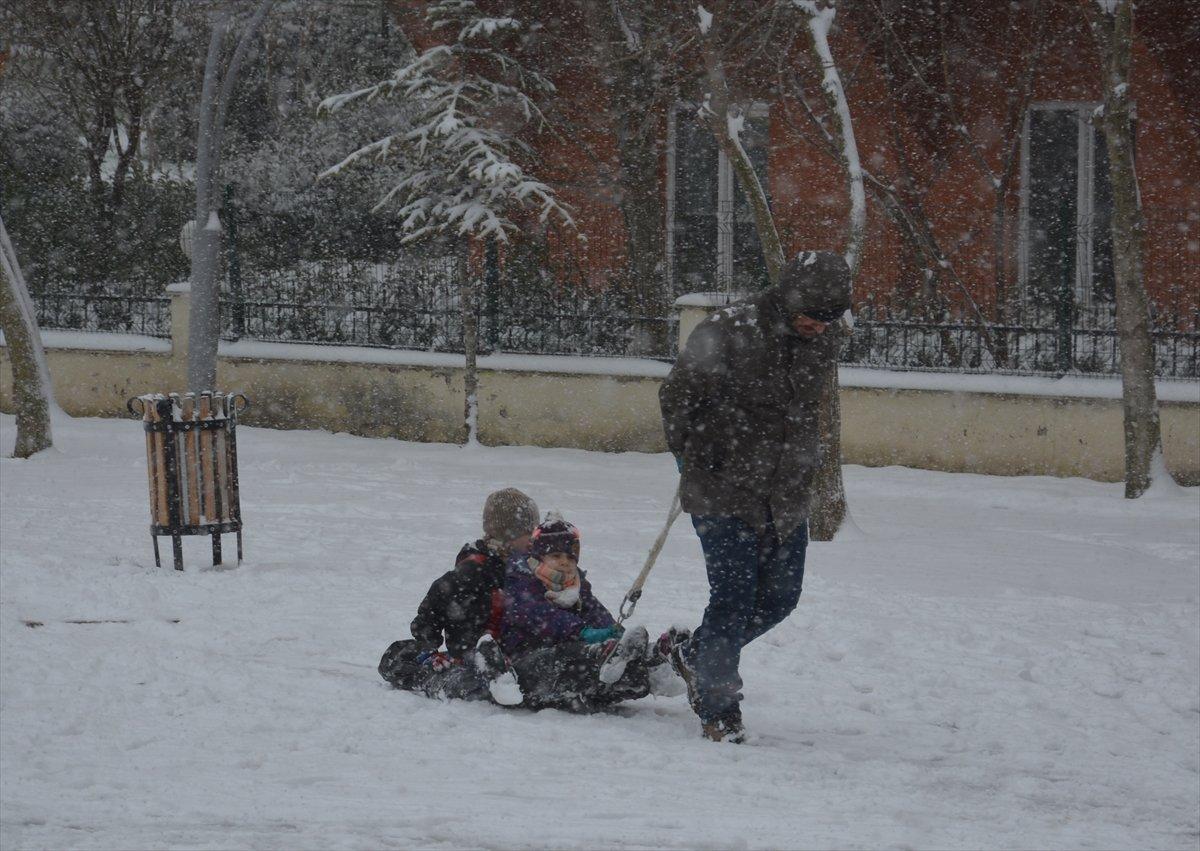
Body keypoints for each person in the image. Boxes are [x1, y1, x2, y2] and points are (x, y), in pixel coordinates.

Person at [658, 250, 852, 742]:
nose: (819, 328)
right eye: (812, 317)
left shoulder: (821, 341)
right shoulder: (726, 331)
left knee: (782, 598)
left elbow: (805, 412)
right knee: (733, 599)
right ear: (789, 299)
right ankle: (718, 706)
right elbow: (677, 399)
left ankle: (696, 655)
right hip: (722, 489)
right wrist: (695, 456)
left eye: (829, 321)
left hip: (786, 494)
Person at [377, 487, 539, 705]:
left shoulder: (528, 566)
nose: (533, 539)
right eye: (528, 532)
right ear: (507, 534)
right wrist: (428, 641)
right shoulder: (473, 570)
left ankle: (501, 675)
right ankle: (472, 677)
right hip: (469, 651)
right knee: (406, 658)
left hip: (512, 648)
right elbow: (435, 603)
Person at [500, 514, 676, 711]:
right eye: (556, 556)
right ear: (539, 557)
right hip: (527, 660)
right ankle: (610, 655)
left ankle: (648, 662)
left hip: (567, 655)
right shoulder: (523, 582)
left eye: (569, 557)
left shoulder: (575, 586)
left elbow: (594, 611)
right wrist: (581, 631)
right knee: (575, 656)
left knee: (598, 666)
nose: (564, 562)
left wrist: (612, 630)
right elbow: (539, 615)